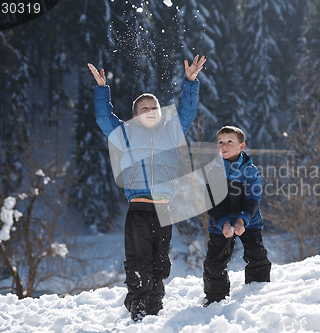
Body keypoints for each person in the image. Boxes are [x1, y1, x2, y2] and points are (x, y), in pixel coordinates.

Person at [87, 55, 206, 321]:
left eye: (154, 107)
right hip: (138, 206)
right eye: (144, 108)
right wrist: (101, 88)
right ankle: (138, 307)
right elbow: (104, 118)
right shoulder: (125, 134)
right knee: (139, 258)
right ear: (134, 116)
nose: (150, 110)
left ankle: (155, 305)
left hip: (164, 208)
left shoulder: (171, 132)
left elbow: (187, 112)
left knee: (160, 261)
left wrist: (191, 81)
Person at [203, 126, 272, 306]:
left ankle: (258, 292)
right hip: (220, 223)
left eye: (229, 142)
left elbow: (253, 198)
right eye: (220, 142)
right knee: (214, 261)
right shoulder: (213, 171)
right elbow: (211, 202)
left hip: (249, 221)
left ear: (242, 146)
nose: (224, 146)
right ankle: (215, 298)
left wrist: (242, 220)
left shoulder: (250, 171)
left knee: (256, 254)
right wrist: (224, 222)